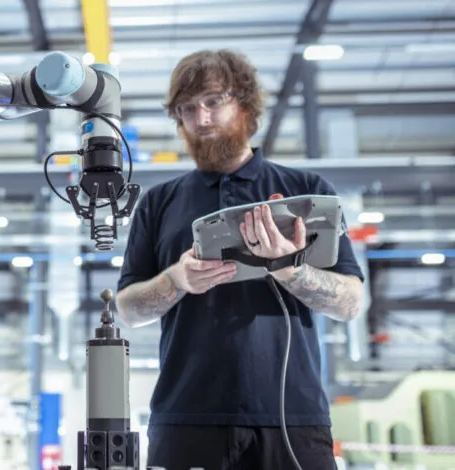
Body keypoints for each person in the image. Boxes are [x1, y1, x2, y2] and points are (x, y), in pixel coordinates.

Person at [115, 49, 365, 470]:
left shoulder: (306, 191)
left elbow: (351, 302)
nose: (202, 118)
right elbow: (127, 309)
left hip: (291, 419)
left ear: (246, 104)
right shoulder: (159, 203)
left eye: (214, 101)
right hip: (186, 418)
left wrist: (290, 269)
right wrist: (176, 280)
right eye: (187, 109)